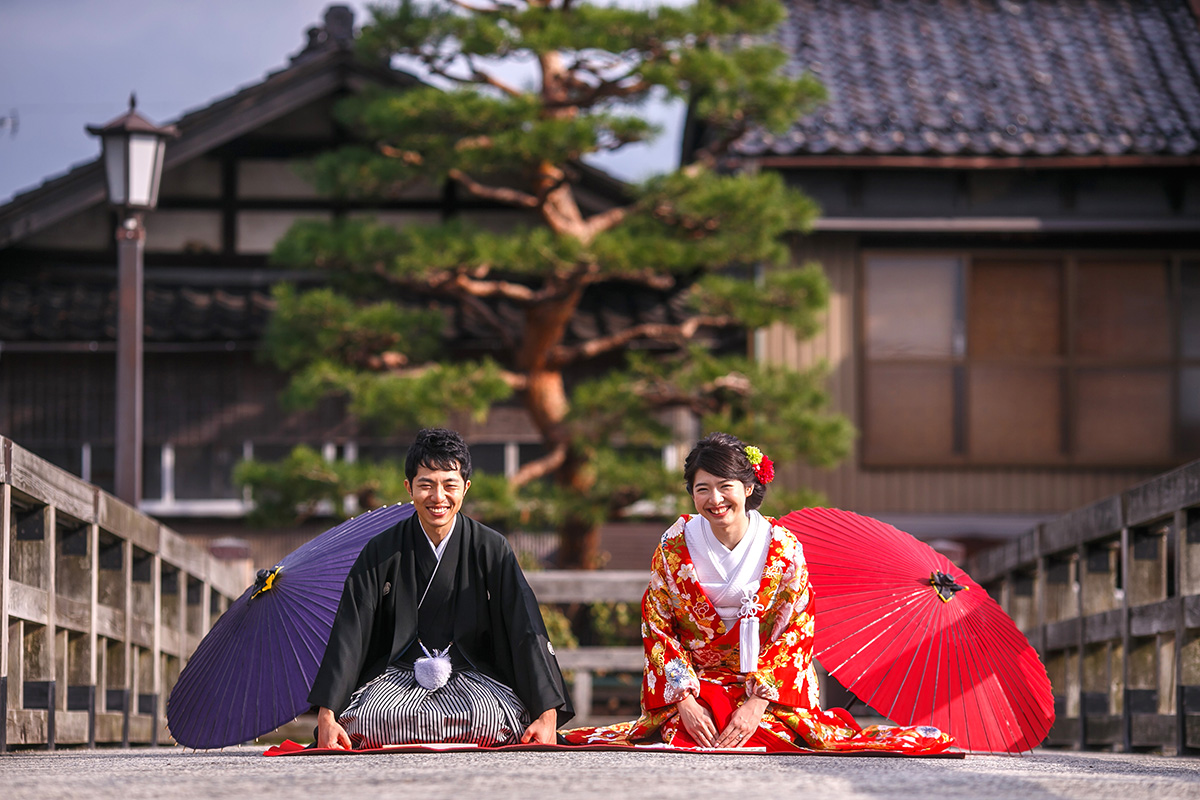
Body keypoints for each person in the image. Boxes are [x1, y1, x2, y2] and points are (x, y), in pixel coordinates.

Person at [562, 432, 952, 753]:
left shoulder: (783, 548)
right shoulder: (675, 544)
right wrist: (684, 701)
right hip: (699, 682)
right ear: (691, 493)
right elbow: (658, 626)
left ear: (748, 487)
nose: (715, 500)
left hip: (764, 687)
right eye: (703, 489)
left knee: (774, 737)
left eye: (725, 487)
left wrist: (756, 703)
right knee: (688, 735)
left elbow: (795, 633)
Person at [308, 428, 573, 749]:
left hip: (471, 673)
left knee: (488, 717)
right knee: (369, 720)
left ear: (465, 488)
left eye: (449, 485)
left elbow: (525, 625)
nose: (438, 497)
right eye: (426, 485)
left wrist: (547, 714)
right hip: (398, 676)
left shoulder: (490, 547)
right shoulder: (381, 549)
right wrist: (328, 714)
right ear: (409, 487)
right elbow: (352, 630)